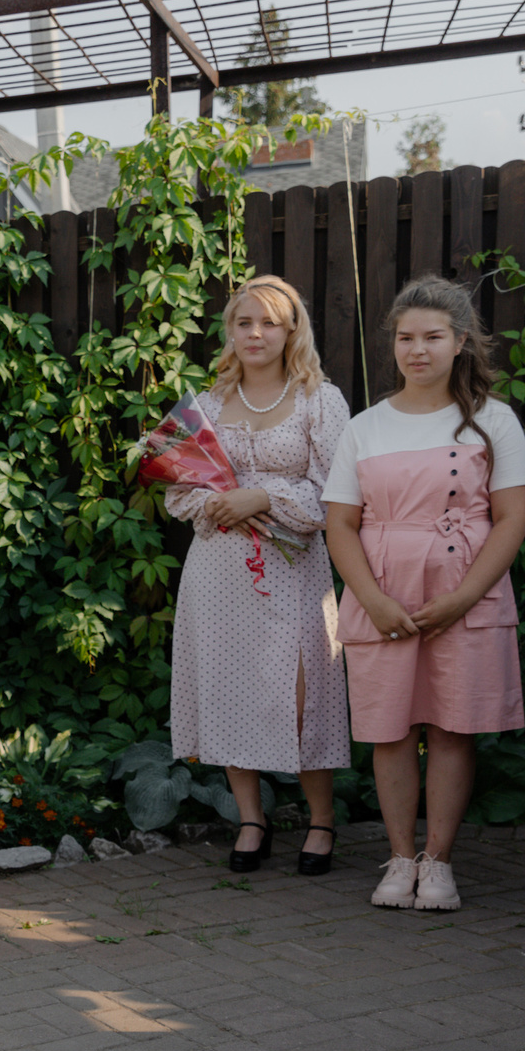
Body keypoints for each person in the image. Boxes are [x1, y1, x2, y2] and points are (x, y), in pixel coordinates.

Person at [323, 277, 525, 913]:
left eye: (433, 337)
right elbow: (340, 523)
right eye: (406, 338)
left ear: (460, 341)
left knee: (451, 728)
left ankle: (437, 863)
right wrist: (372, 600)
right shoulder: (365, 426)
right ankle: (397, 857)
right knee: (389, 732)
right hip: (383, 594)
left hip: (461, 594)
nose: (418, 350)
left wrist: (465, 597)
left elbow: (512, 518)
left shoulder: (492, 420)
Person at [160, 275, 349, 875]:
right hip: (217, 570)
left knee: (302, 697)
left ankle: (321, 820)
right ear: (230, 330)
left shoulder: (321, 399)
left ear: (292, 329)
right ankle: (250, 818)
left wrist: (259, 496)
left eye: (269, 322)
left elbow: (334, 496)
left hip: (293, 571)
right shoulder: (205, 403)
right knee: (225, 688)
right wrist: (214, 504)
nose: (255, 333)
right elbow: (177, 488)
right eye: (244, 322)